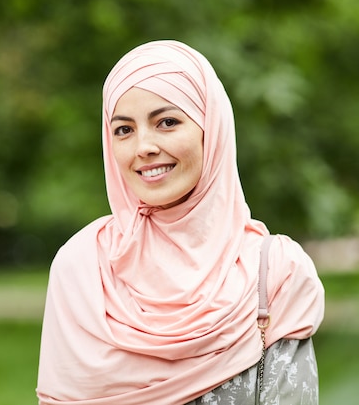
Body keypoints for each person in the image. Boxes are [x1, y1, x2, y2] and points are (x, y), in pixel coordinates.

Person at [36, 40, 325, 405]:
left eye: (167, 122)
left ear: (211, 128)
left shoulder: (276, 272)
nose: (144, 146)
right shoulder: (81, 267)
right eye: (124, 130)